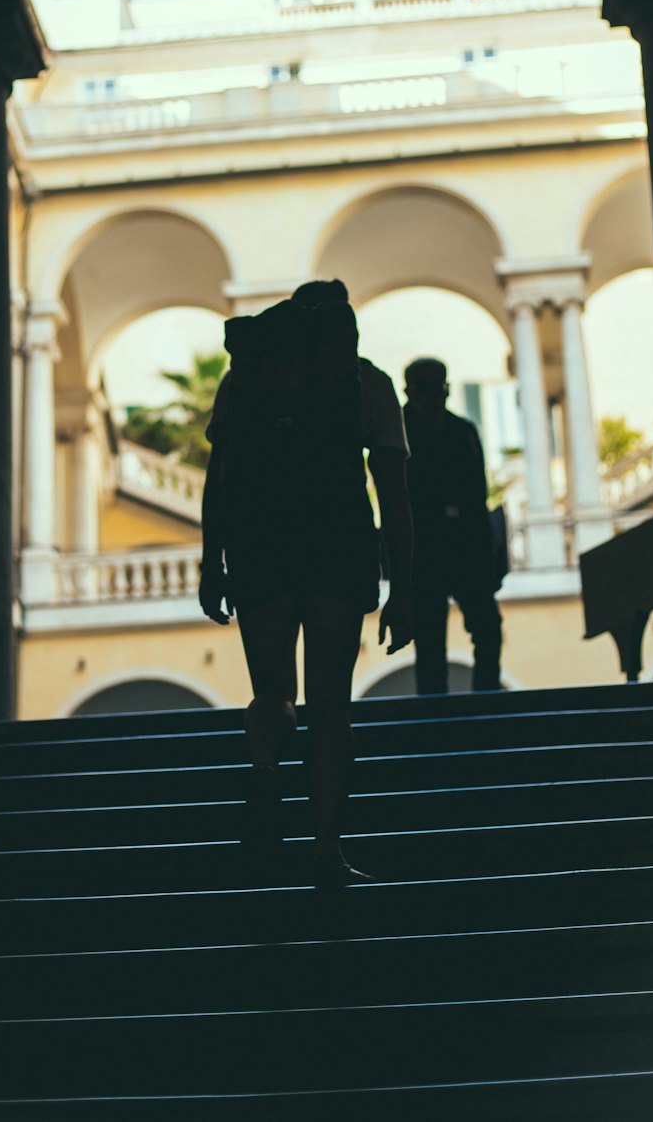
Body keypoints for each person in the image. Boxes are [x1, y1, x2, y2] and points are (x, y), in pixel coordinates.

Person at [199, 279, 413, 887]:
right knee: (330, 707)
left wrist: (211, 562)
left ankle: (266, 770)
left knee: (271, 692)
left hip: (260, 550)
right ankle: (325, 848)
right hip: (337, 551)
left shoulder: (246, 379)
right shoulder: (367, 383)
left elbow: (220, 479)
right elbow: (395, 494)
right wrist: (405, 586)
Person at [402, 356, 503, 694]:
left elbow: (476, 498)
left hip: (445, 549)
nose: (432, 397)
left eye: (436, 388)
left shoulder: (405, 432)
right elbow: (477, 498)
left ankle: (470, 712)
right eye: (425, 390)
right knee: (442, 641)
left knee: (472, 634)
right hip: (438, 550)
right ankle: (481, 709)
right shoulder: (458, 432)